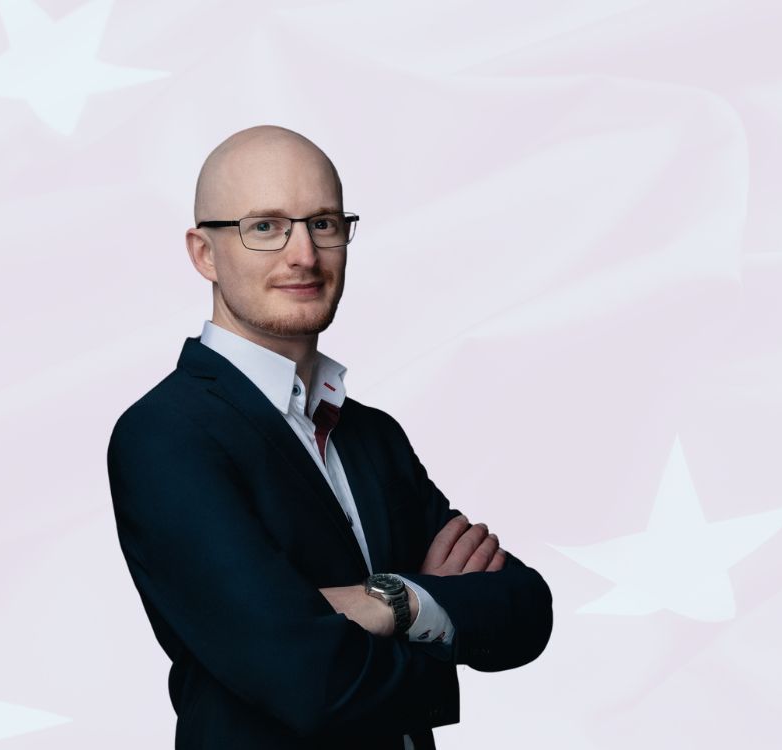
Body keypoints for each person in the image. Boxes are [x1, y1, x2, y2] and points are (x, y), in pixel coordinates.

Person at [106, 124, 553, 749]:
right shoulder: (166, 435)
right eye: (265, 227)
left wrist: (391, 601)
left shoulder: (372, 434)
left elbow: (525, 610)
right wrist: (436, 619)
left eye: (322, 223)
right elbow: (306, 680)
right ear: (204, 253)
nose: (304, 255)